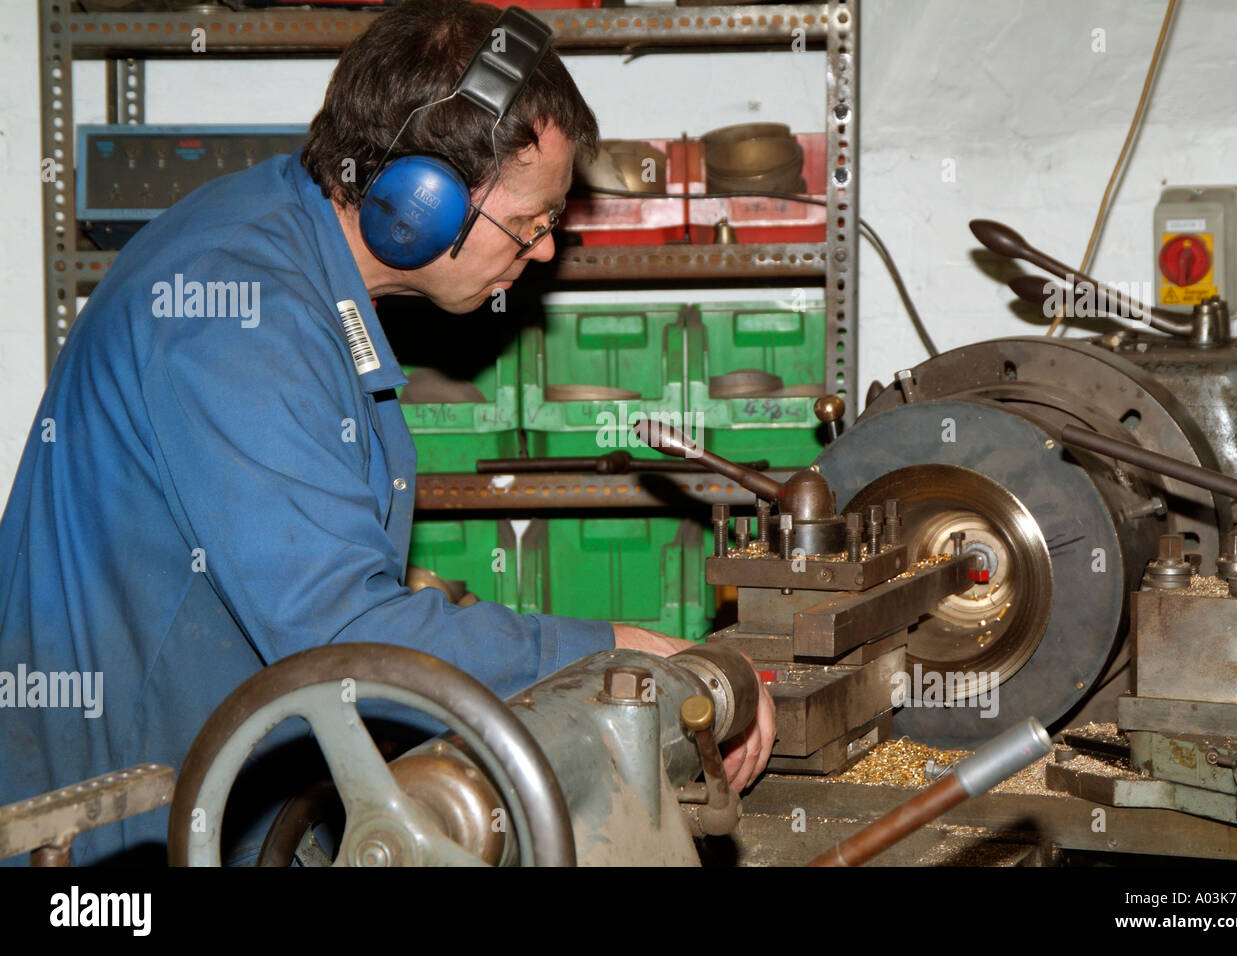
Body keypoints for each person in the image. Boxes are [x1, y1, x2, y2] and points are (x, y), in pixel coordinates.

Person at [0, 0, 774, 866]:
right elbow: (338, 637)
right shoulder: (237, 311)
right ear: (421, 202)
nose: (547, 249)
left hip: (223, 794)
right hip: (112, 833)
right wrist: (623, 651)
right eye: (531, 221)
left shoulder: (296, 249)